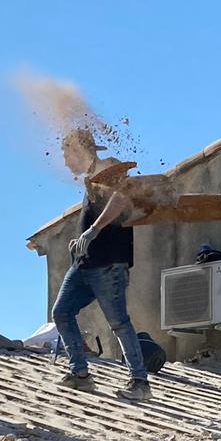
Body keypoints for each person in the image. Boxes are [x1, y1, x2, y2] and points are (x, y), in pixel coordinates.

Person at [50, 128, 153, 402]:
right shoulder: (91, 179)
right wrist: (80, 240)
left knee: (118, 322)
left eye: (66, 154)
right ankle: (80, 375)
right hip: (84, 264)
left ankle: (140, 382)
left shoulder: (110, 168)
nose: (65, 162)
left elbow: (122, 198)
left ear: (78, 150)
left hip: (109, 262)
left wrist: (92, 231)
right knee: (61, 313)